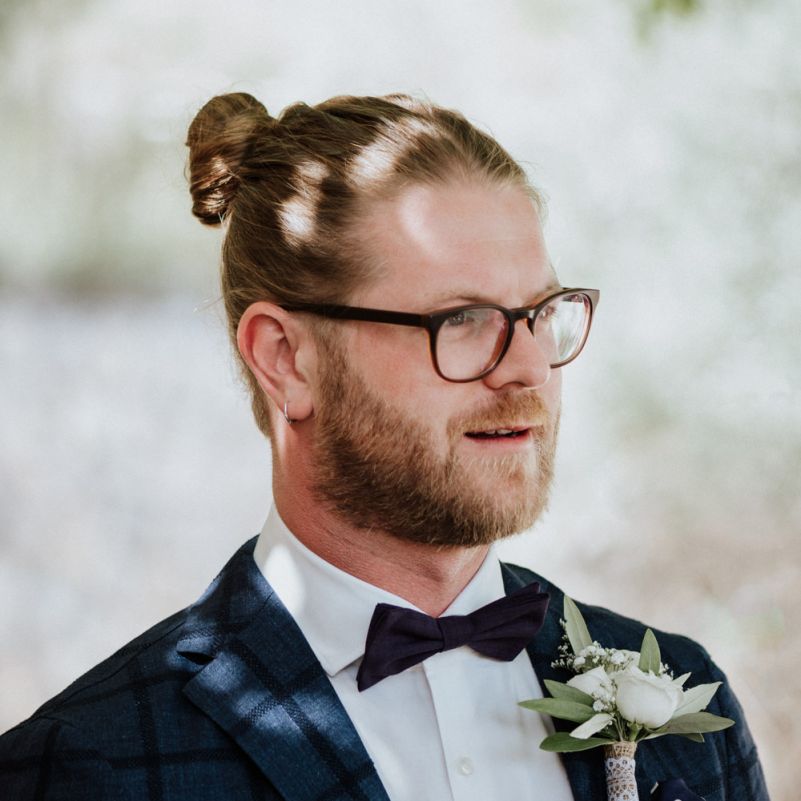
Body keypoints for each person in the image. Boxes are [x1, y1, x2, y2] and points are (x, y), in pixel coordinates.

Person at [0, 92, 768, 801]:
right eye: (462, 319)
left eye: (539, 312)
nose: (530, 366)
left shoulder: (677, 694)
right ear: (286, 359)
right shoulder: (86, 765)